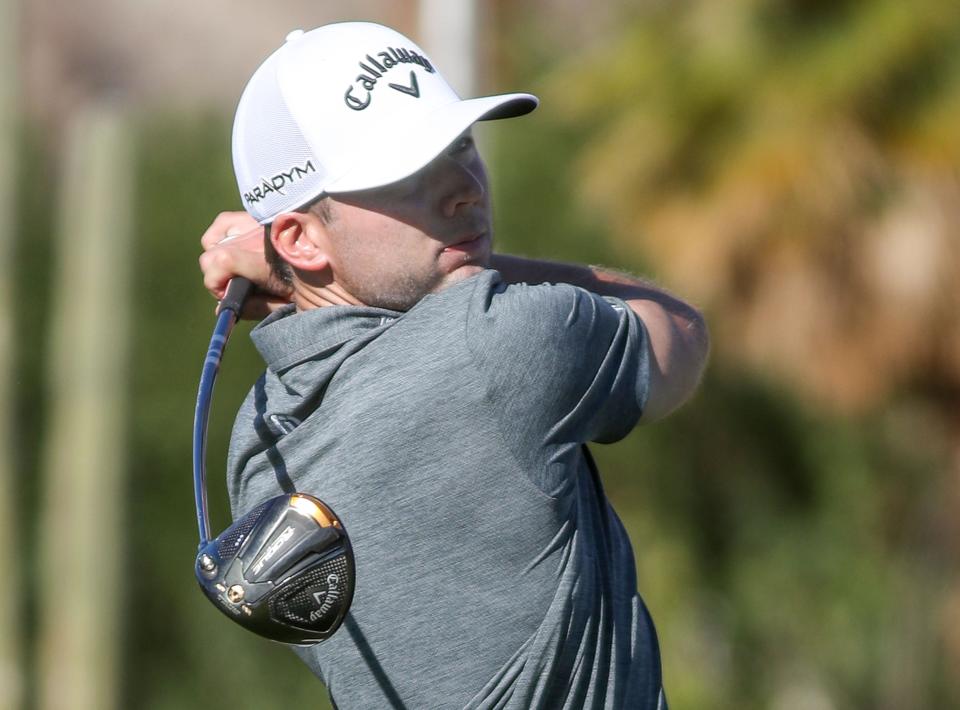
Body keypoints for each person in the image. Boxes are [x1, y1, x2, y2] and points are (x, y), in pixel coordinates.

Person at [199, 21, 708, 710]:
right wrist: (478, 271)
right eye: (408, 174)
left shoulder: (257, 443)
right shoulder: (501, 345)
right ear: (299, 238)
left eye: (460, 145)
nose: (465, 188)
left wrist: (299, 277)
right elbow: (678, 329)